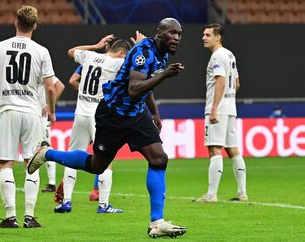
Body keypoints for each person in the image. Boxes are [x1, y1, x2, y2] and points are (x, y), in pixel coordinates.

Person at [28, 18, 187, 238]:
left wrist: (155, 113)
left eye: (179, 34)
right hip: (113, 114)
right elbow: (134, 88)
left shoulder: (162, 54)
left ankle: (156, 222)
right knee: (96, 166)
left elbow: (146, 86)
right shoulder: (143, 52)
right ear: (159, 33)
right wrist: (164, 75)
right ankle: (48, 153)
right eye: (172, 33)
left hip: (135, 114)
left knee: (159, 158)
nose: (177, 38)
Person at [0, 5, 56, 228]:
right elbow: (51, 87)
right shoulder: (41, 51)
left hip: (7, 109)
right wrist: (51, 110)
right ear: (35, 25)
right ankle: (29, 216)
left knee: (6, 163)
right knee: (31, 163)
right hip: (32, 112)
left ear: (15, 21)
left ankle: (10, 217)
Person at [53, 36, 134, 214]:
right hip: (99, 117)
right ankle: (103, 205)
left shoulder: (89, 56)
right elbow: (136, 65)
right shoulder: (115, 63)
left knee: (71, 158)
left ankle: (66, 202)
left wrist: (95, 45)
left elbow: (71, 51)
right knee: (107, 159)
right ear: (122, 52)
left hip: (80, 114)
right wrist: (137, 47)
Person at [194, 23, 248, 203]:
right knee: (232, 149)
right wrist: (228, 101)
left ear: (218, 37)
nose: (203, 38)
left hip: (218, 108)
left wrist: (215, 108)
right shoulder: (230, 54)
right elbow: (237, 83)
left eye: (208, 35)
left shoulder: (217, 56)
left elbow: (221, 81)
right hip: (231, 107)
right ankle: (242, 192)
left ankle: (211, 194)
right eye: (203, 34)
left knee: (214, 148)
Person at [41, 76, 65, 192]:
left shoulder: (39, 68)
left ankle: (51, 183)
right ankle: (30, 180)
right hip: (29, 116)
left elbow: (60, 85)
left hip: (40, 118)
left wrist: (50, 106)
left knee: (46, 148)